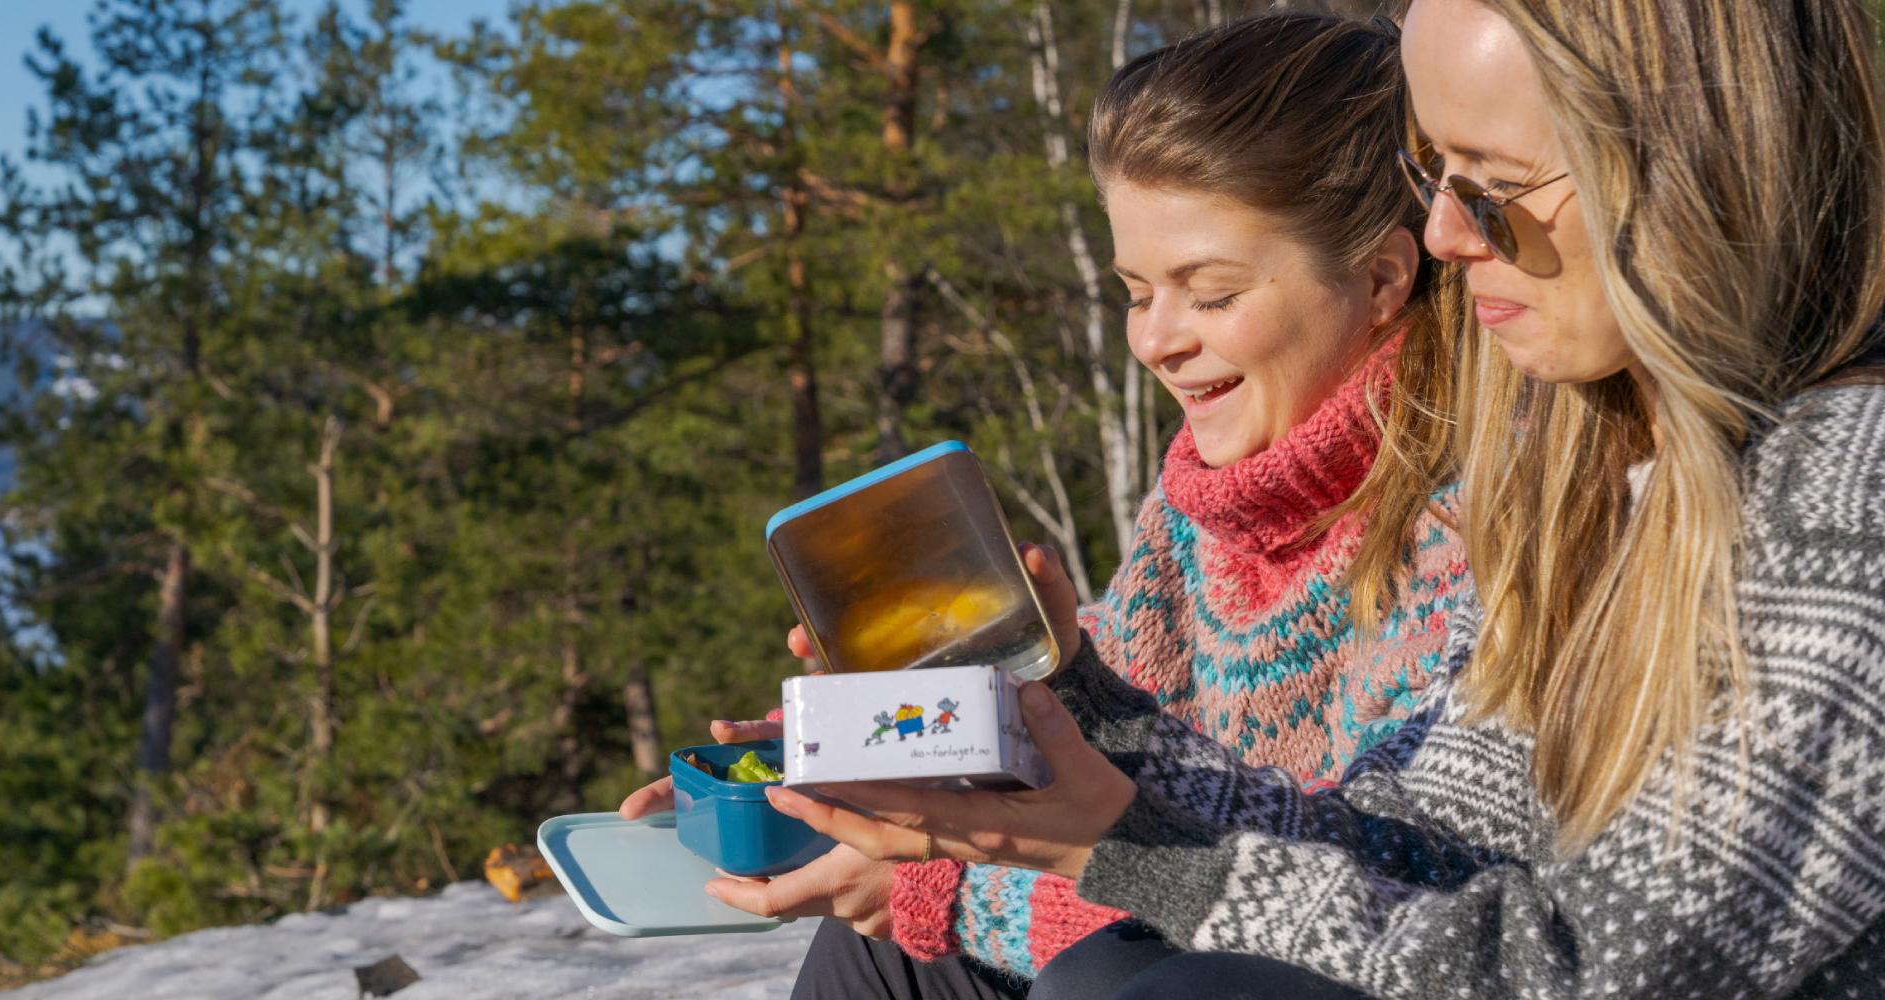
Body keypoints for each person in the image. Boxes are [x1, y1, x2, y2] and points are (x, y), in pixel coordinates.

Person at [766, 0, 1885, 997]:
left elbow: (1587, 964)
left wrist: (1060, 854)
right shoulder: (1611, 464)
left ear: (1681, 167)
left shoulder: (1841, 496)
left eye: (1489, 189)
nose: (1448, 234)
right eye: (1432, 178)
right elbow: (1437, 837)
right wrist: (1069, 717)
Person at [621, 12, 1475, 998]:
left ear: (1378, 276)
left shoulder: (1488, 512)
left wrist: (951, 886)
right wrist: (863, 747)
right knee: (888, 947)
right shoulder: (1203, 501)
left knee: (1061, 964)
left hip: (1362, 964)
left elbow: (1392, 905)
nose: (1154, 339)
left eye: (1207, 293)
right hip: (1195, 929)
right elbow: (1124, 730)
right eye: (1134, 290)